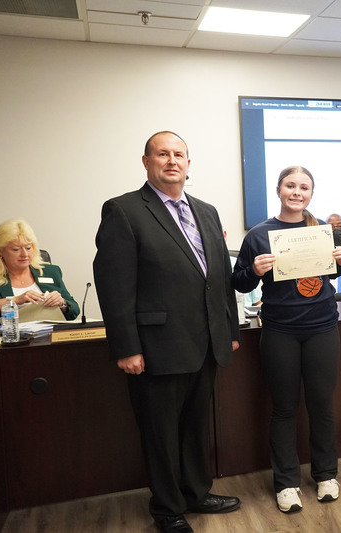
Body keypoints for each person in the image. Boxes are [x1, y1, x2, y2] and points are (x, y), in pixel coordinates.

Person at [93, 131, 241, 533]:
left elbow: (219, 277)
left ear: (189, 164)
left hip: (205, 343)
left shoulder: (206, 211)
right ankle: (168, 509)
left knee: (196, 427)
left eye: (179, 154)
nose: (172, 161)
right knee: (160, 434)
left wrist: (228, 328)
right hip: (156, 347)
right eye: (163, 154)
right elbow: (113, 284)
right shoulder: (124, 211)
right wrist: (126, 346)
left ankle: (196, 492)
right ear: (146, 162)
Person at [232, 166, 341, 513]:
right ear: (279, 189)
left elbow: (333, 272)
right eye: (290, 185)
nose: (297, 192)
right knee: (284, 409)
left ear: (310, 193)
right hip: (280, 331)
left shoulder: (323, 230)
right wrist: (254, 270)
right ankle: (286, 483)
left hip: (322, 328)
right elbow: (239, 283)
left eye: (304, 187)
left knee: (322, 405)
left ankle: (326, 474)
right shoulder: (259, 234)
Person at [0, 219, 79, 320]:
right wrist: (16, 300)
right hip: (11, 334)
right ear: (0, 251)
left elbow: (74, 310)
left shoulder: (51, 272)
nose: (24, 254)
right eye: (16, 249)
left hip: (50, 334)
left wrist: (62, 303)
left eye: (28, 248)